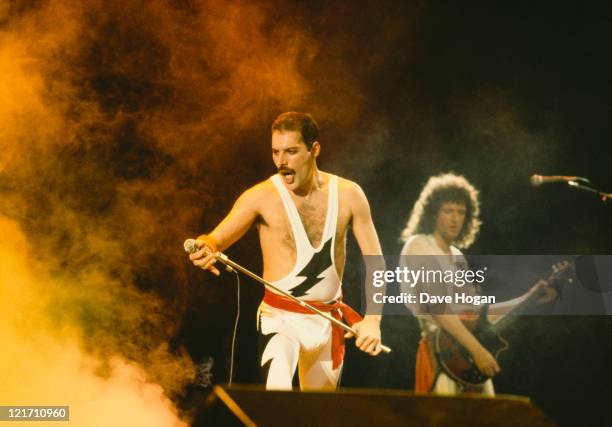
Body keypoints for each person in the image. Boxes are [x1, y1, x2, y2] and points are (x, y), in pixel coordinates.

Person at [189, 112, 383, 390]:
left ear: (314, 149)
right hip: (280, 321)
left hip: (328, 322)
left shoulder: (349, 195)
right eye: (276, 152)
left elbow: (376, 262)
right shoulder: (261, 196)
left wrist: (373, 320)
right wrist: (204, 248)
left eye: (291, 152)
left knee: (320, 419)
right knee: (277, 404)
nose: (282, 162)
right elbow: (214, 239)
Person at [399, 173, 557, 395]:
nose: (455, 218)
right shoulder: (419, 245)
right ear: (433, 213)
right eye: (448, 211)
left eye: (461, 212)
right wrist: (478, 350)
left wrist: (528, 298)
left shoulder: (457, 257)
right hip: (442, 353)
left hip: (468, 357)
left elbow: (476, 317)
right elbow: (438, 307)